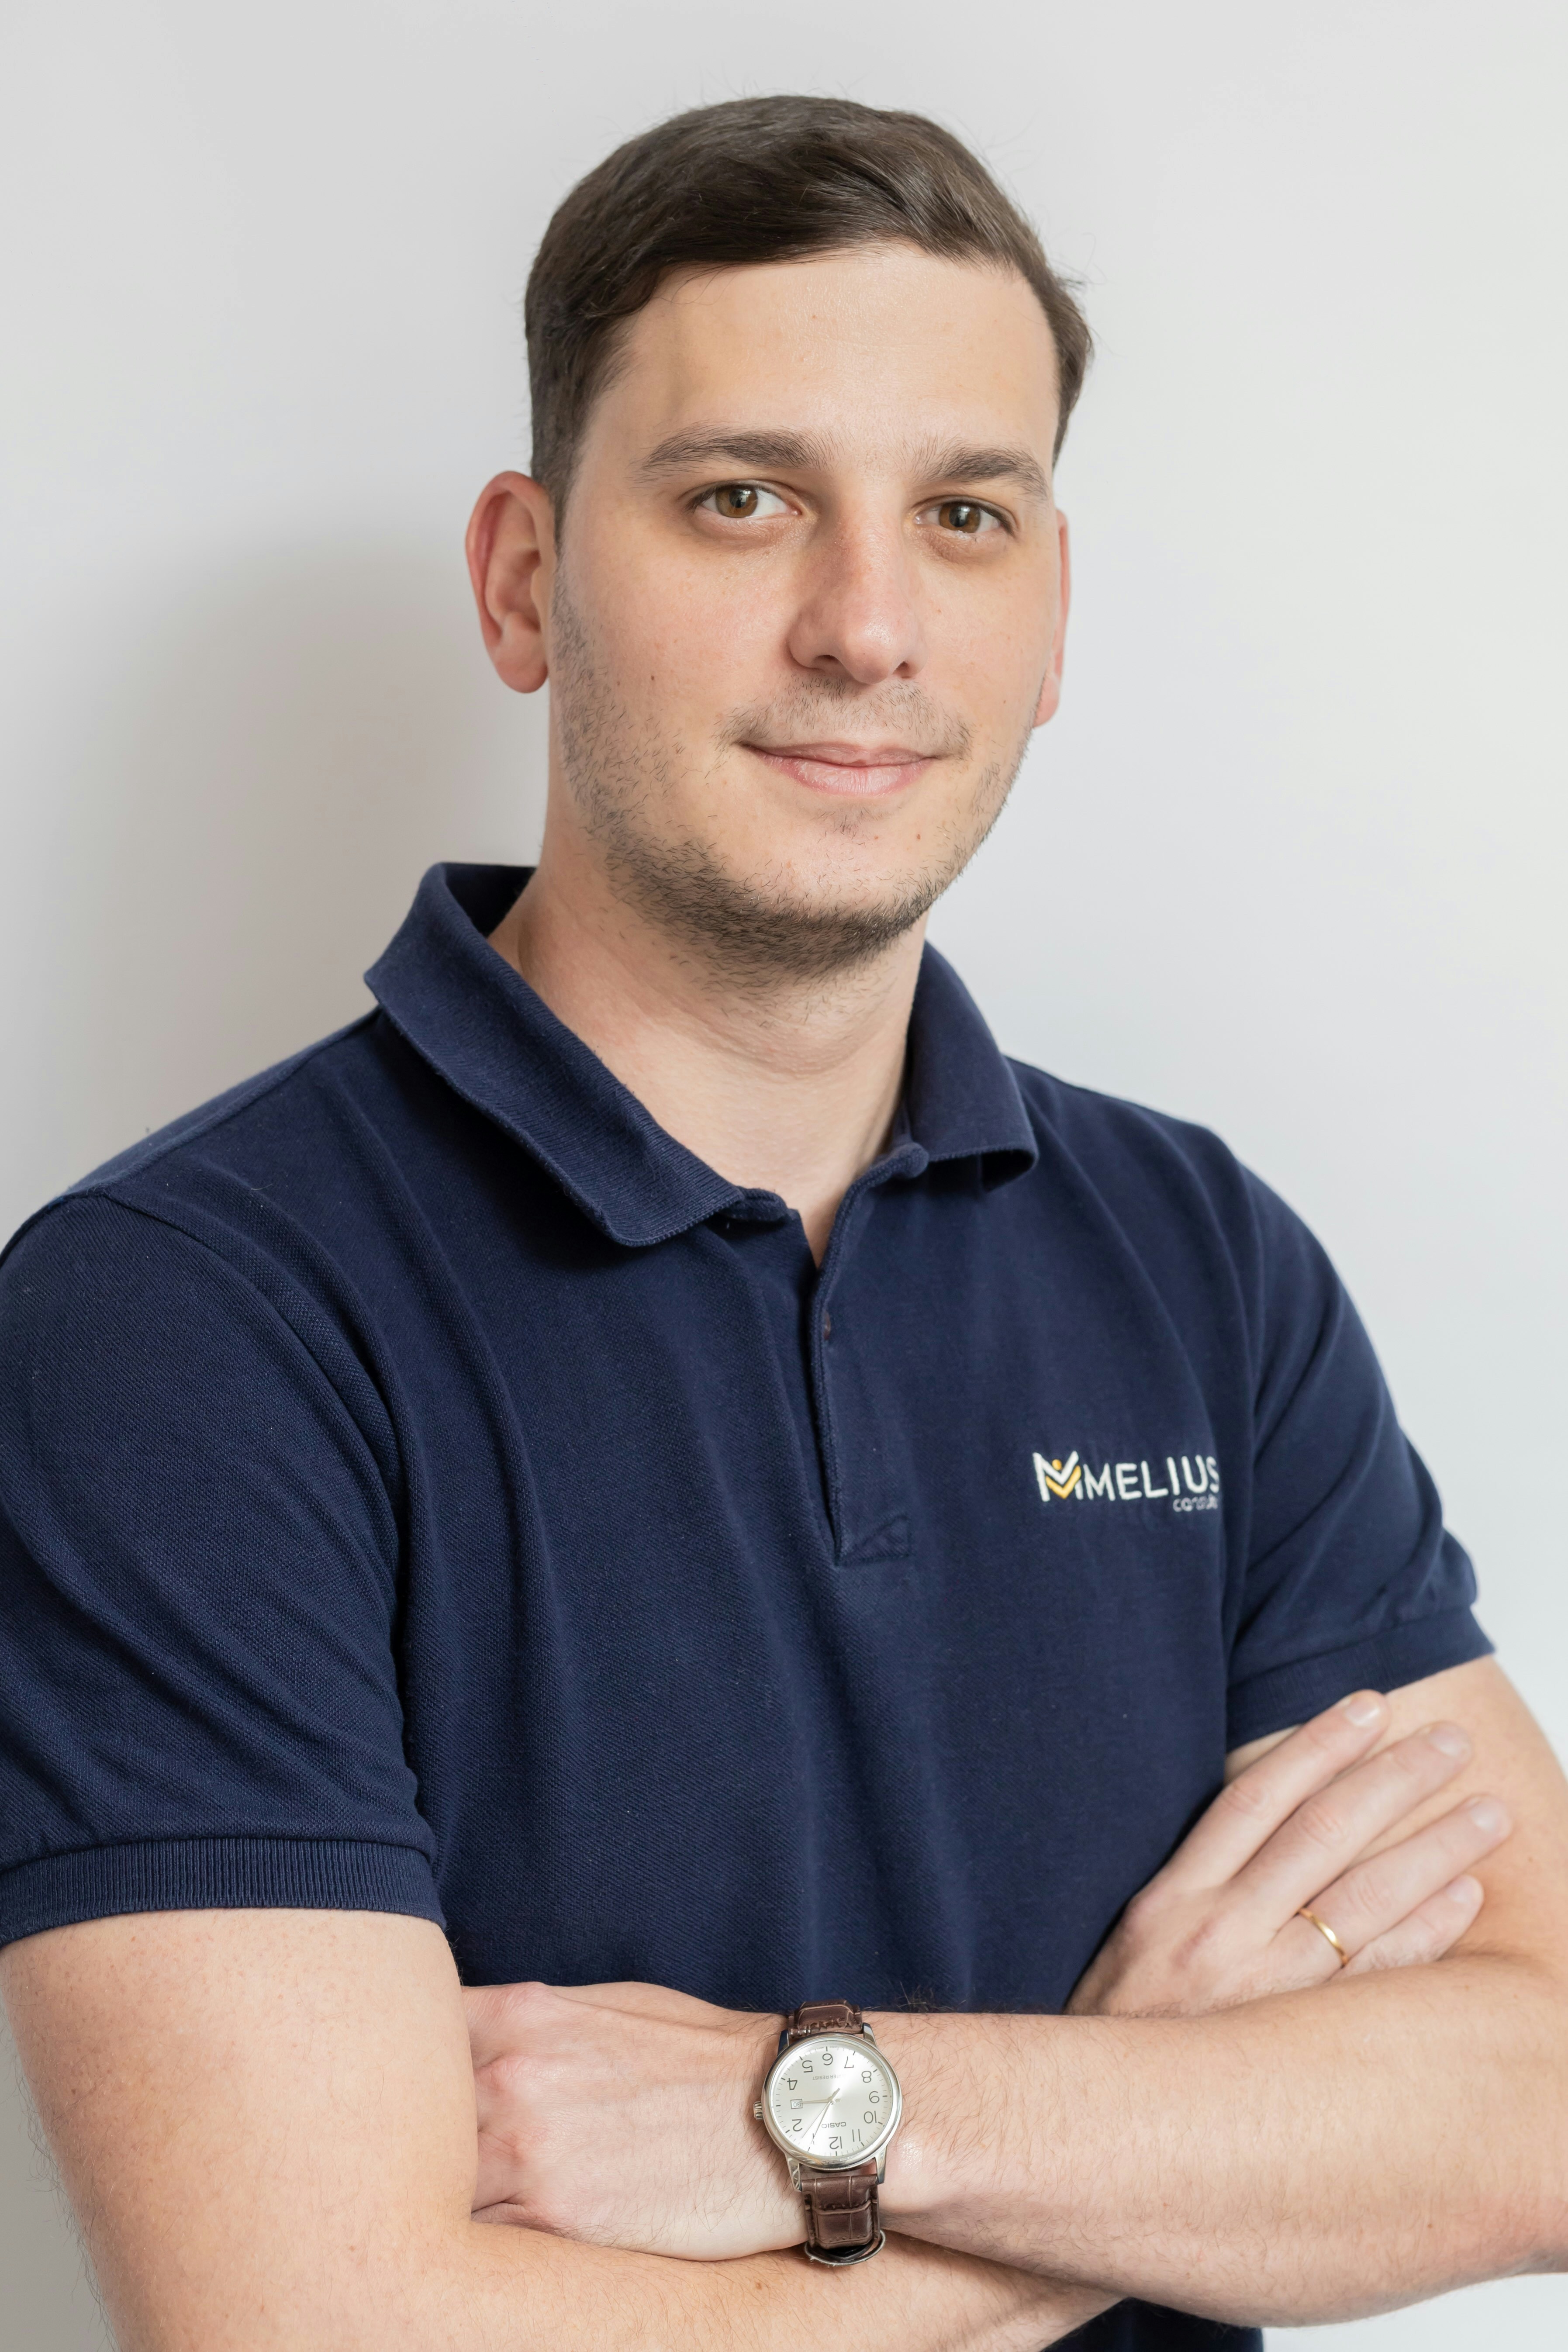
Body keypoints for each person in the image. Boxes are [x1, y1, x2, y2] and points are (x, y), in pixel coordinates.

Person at [2, 93, 1565, 2352]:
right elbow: (308, 2326)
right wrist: (1148, 2124)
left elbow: (1532, 2108)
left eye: (961, 512)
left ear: (1052, 618)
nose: (863, 624)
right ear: (524, 578)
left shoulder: (1198, 1262)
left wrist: (823, 2116)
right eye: (743, 499)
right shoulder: (185, 1324)